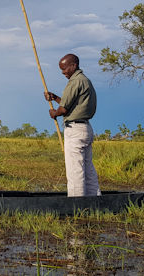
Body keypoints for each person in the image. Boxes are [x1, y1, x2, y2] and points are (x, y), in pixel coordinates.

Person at [44, 53, 101, 197]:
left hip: (75, 130)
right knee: (88, 170)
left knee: (75, 170)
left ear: (73, 66)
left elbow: (64, 109)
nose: (63, 72)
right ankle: (95, 200)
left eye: (64, 69)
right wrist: (55, 98)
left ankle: (77, 206)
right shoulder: (84, 80)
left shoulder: (75, 81)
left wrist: (54, 113)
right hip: (85, 128)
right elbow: (70, 104)